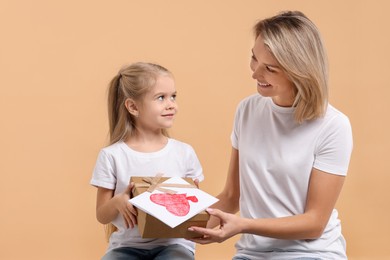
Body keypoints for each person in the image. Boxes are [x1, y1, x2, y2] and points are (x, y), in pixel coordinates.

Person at [189, 11, 353, 260]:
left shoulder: (333, 126)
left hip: (311, 253)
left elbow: (314, 223)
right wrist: (180, 225)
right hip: (251, 254)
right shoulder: (247, 110)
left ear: (300, 71)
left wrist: (244, 225)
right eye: (254, 59)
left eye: (270, 69)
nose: (255, 73)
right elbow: (233, 196)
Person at [90, 62, 204, 260]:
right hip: (126, 246)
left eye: (173, 96)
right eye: (161, 98)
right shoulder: (112, 156)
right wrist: (118, 202)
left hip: (174, 245)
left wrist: (192, 199)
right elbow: (102, 215)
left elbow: (193, 214)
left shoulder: (183, 152)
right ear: (133, 106)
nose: (171, 104)